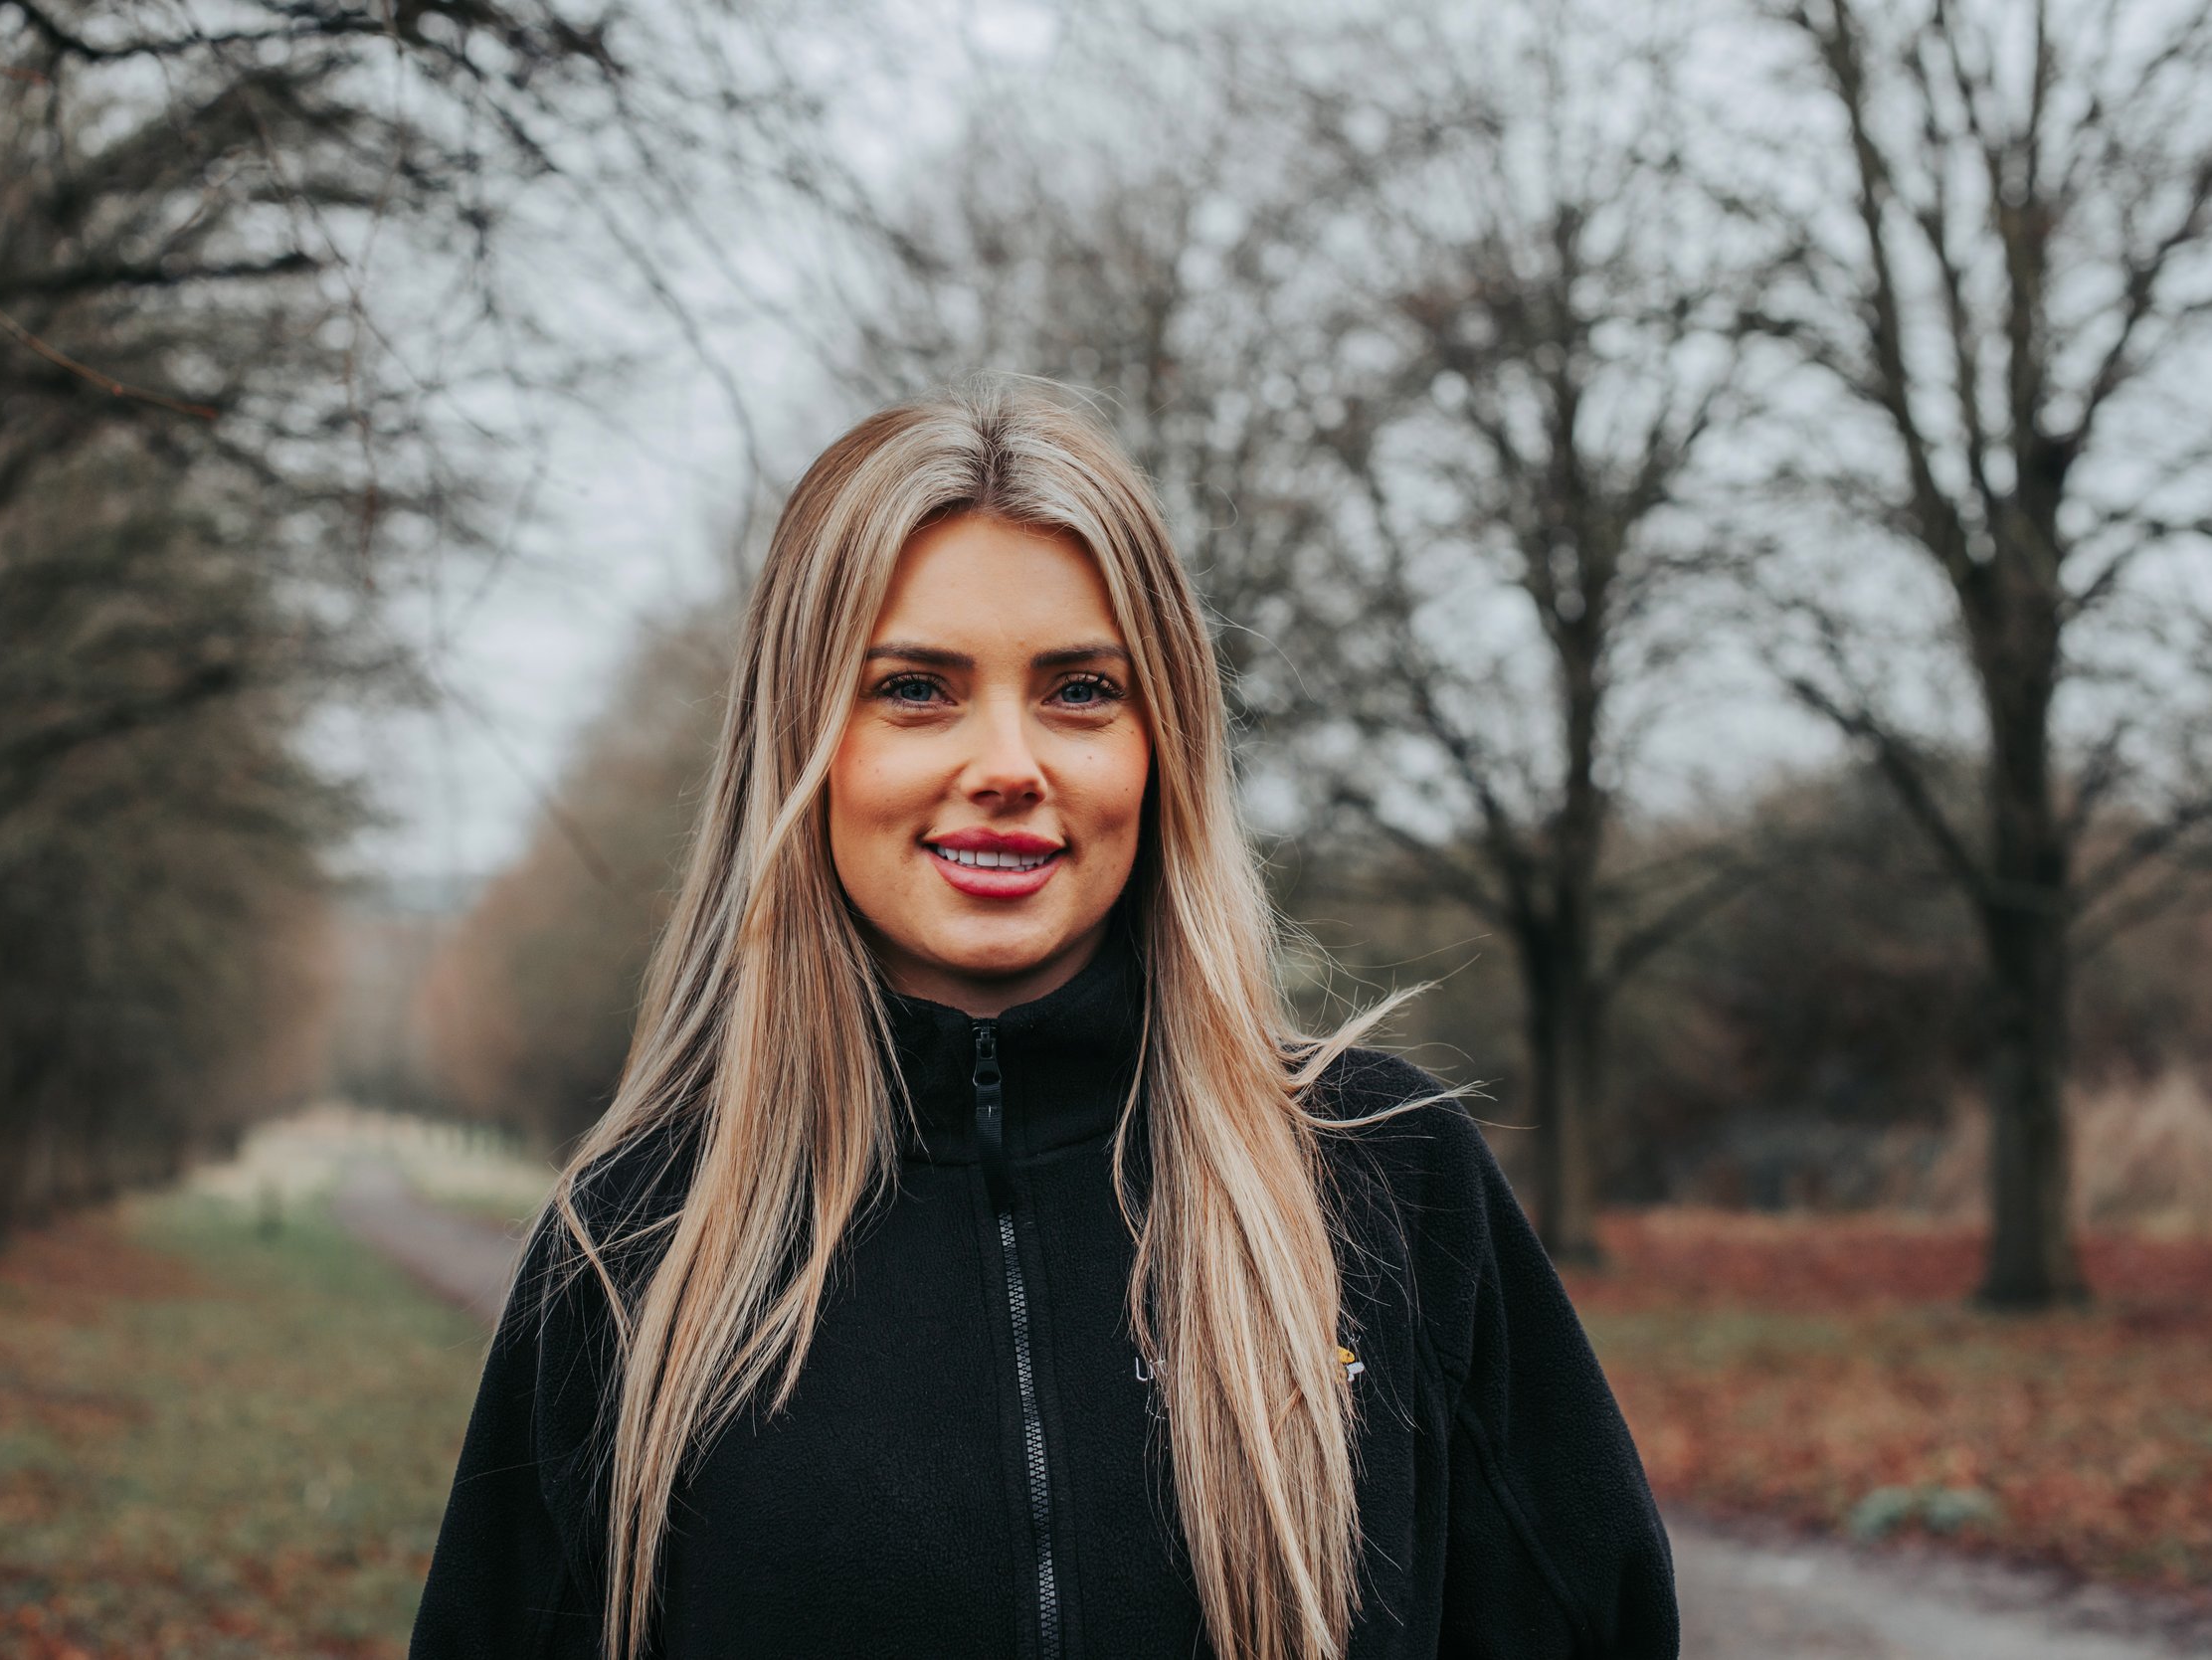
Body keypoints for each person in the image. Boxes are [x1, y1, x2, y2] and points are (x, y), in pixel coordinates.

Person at [408, 378, 1677, 1660]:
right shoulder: (636, 1252)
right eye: (915, 688)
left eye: (1080, 691)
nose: (1009, 764)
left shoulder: (1390, 1185)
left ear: (1161, 743)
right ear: (801, 742)